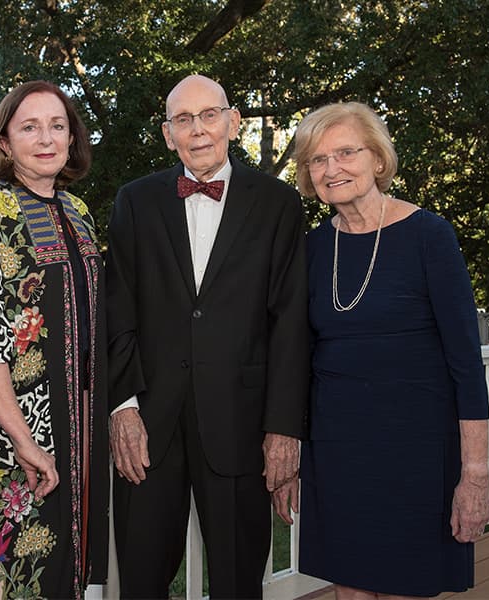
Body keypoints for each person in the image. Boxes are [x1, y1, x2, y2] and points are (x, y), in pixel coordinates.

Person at [105, 74, 309, 599]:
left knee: (239, 582)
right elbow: (117, 310)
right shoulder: (135, 201)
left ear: (232, 122)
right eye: (183, 120)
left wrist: (284, 428)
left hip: (241, 425)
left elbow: (290, 323)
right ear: (167, 134)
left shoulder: (279, 204)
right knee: (142, 579)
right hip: (148, 427)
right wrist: (122, 406)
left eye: (209, 115)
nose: (198, 130)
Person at [294, 101, 489, 599]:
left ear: (378, 159)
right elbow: (300, 356)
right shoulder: (313, 248)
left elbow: (467, 366)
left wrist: (474, 474)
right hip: (337, 453)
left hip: (416, 454)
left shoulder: (430, 236)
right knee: (350, 591)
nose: (331, 168)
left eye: (345, 152)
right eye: (318, 159)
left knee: (405, 587)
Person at [0, 80, 108, 600]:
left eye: (57, 126)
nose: (46, 138)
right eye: (30, 127)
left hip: (75, 426)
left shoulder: (79, 213)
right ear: (4, 143)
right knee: (12, 570)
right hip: (10, 429)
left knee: (65, 568)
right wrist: (21, 436)